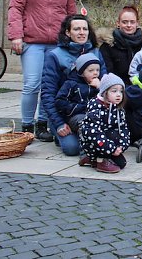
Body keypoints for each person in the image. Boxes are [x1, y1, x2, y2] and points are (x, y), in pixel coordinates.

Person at [8, 0, 77, 141]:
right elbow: (15, 8)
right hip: (32, 41)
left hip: (57, 44)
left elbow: (71, 14)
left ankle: (43, 124)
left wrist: (72, 40)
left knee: (51, 86)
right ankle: (27, 125)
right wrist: (16, 36)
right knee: (32, 84)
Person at [41, 14, 107, 156]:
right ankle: (61, 135)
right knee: (72, 149)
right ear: (67, 32)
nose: (82, 32)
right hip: (65, 114)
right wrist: (58, 123)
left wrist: (101, 85)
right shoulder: (54, 55)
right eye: (77, 29)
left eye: (85, 29)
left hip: (92, 113)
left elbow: (107, 84)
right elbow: (47, 93)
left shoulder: (96, 52)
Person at [79, 73, 131, 173]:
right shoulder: (96, 108)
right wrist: (111, 149)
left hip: (110, 143)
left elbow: (124, 128)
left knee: (121, 163)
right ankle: (99, 160)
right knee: (107, 134)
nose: (118, 94)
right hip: (95, 143)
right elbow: (94, 134)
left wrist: (121, 146)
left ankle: (92, 159)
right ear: (104, 92)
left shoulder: (118, 109)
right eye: (114, 91)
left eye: (121, 91)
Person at [54, 52, 101, 137]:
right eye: (91, 70)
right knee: (85, 122)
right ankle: (85, 143)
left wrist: (100, 88)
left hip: (95, 115)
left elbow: (106, 99)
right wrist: (78, 107)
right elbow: (60, 101)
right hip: (76, 116)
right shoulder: (71, 84)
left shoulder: (99, 84)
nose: (95, 73)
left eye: (97, 70)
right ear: (81, 72)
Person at [99, 5, 142, 83]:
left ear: (137, 23)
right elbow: (107, 72)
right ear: (118, 23)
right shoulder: (108, 45)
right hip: (117, 89)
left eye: (132, 22)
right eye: (124, 22)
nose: (129, 25)